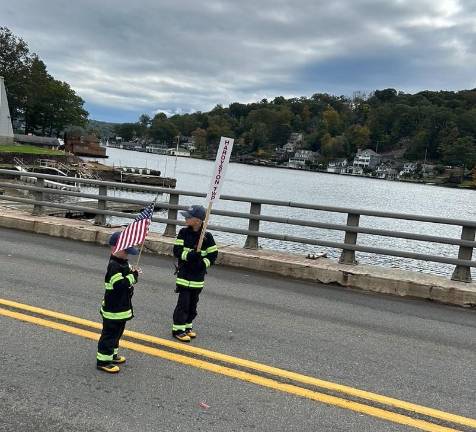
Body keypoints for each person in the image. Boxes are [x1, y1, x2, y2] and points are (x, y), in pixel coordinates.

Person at [172, 205, 218, 342]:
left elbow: (213, 255)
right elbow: (177, 251)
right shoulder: (183, 233)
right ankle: (178, 329)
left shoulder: (207, 237)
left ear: (198, 220)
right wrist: (190, 255)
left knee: (193, 304)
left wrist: (203, 263)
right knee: (183, 304)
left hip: (197, 278)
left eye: (188, 217)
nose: (185, 218)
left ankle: (187, 326)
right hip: (184, 276)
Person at [96, 232, 141, 373]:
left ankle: (112, 354)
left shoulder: (123, 263)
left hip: (121, 308)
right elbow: (119, 285)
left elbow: (127, 281)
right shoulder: (114, 266)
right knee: (109, 334)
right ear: (115, 248)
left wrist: (133, 274)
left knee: (117, 333)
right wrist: (132, 277)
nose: (128, 255)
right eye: (126, 251)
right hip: (113, 309)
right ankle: (103, 360)